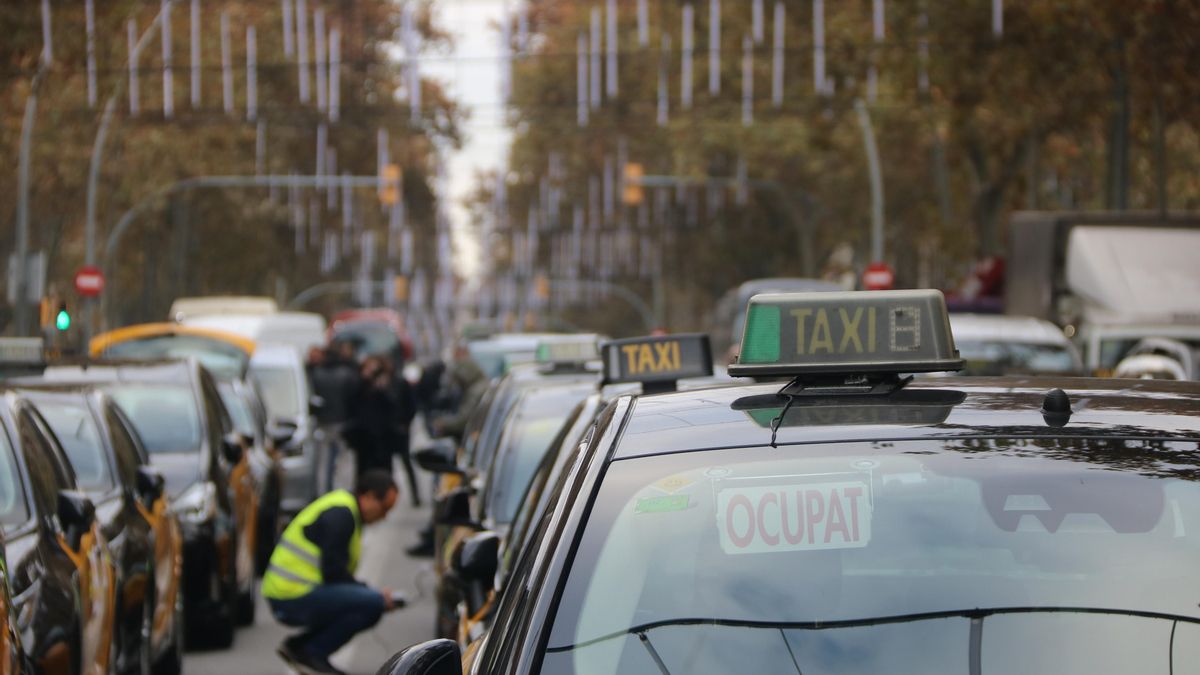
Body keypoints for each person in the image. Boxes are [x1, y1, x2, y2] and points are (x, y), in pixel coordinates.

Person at [263, 470, 401, 675]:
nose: (384, 516)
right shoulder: (342, 515)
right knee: (372, 603)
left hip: (290, 592)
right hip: (292, 595)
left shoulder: (346, 509)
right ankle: (311, 652)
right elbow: (333, 572)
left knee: (369, 601)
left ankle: (299, 647)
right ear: (369, 497)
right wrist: (375, 595)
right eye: (384, 509)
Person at [309, 340, 361, 491]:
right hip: (342, 424)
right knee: (342, 463)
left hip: (324, 423)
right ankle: (340, 491)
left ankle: (325, 491)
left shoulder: (316, 374)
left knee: (324, 463)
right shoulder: (347, 374)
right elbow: (353, 400)